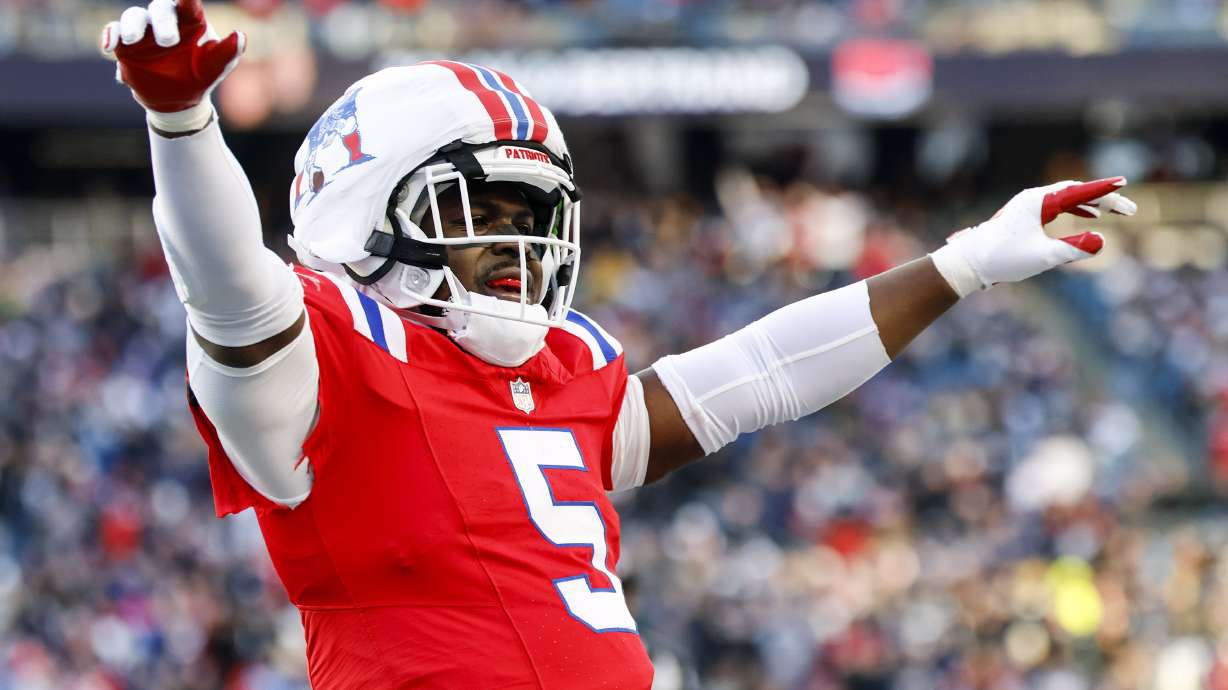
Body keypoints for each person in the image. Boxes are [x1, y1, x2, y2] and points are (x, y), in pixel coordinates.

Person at [98, 1, 1137, 687]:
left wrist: (961, 263)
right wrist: (182, 124)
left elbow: (760, 373)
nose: (522, 241)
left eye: (535, 211)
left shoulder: (564, 370)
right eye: (485, 206)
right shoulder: (324, 359)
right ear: (366, 213)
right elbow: (228, 288)